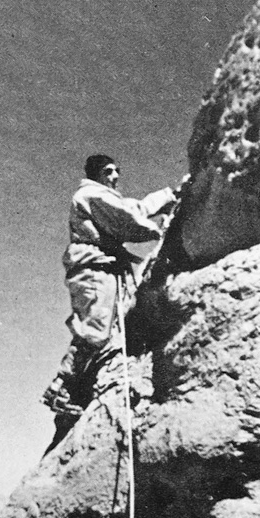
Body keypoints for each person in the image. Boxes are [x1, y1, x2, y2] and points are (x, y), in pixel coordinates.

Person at [42, 154, 176, 422]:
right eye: (108, 171)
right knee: (95, 326)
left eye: (117, 171)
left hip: (104, 268)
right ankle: (60, 387)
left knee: (106, 327)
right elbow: (128, 220)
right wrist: (159, 226)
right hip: (94, 270)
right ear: (96, 174)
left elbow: (133, 208)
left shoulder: (103, 197)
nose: (114, 176)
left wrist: (167, 196)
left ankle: (76, 385)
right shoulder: (91, 195)